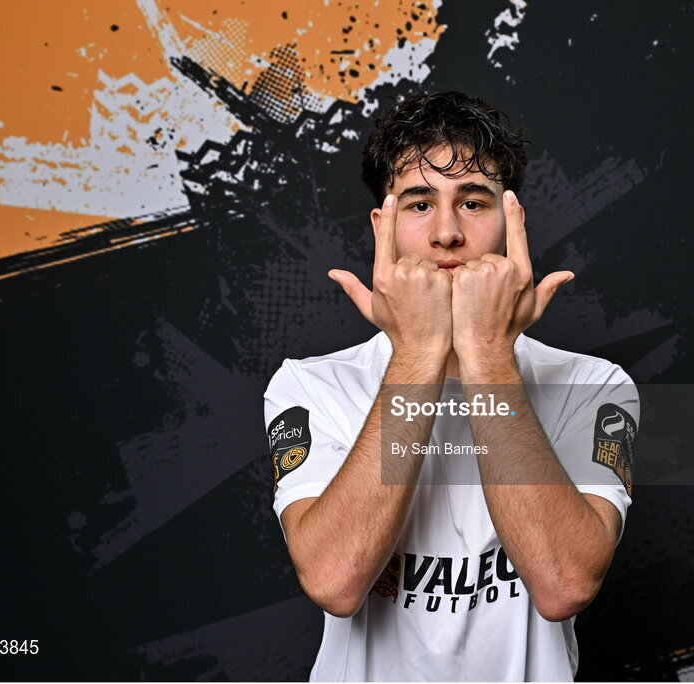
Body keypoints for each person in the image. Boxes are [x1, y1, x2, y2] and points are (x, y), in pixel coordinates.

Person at [264, 91, 638, 681]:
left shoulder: (591, 386)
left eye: (472, 202)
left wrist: (486, 351)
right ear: (383, 228)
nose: (446, 233)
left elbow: (564, 585)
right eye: (419, 203)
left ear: (512, 223)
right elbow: (335, 582)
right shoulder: (312, 385)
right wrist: (418, 352)